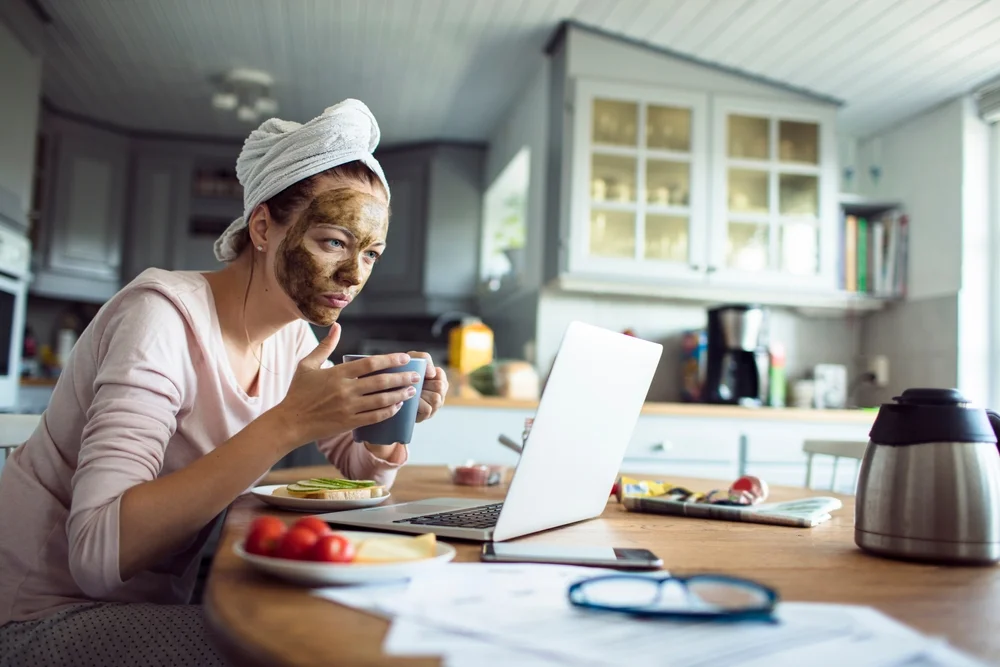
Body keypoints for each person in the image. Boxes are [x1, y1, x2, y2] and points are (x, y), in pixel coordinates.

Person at [0, 99, 448, 667]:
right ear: (262, 227)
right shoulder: (161, 317)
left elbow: (358, 468)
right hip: (40, 615)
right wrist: (287, 424)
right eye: (333, 241)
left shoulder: (290, 337)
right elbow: (95, 554)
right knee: (303, 646)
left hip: (154, 602)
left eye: (372, 253)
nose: (354, 275)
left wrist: (389, 415)